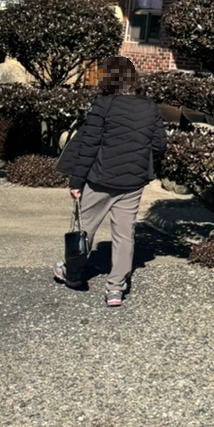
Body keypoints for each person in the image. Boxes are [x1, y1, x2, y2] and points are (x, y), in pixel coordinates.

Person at [55, 56, 167, 307]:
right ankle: (115, 288)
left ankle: (72, 274)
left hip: (100, 179)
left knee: (83, 229)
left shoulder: (104, 104)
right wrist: (142, 165)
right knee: (124, 234)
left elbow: (89, 145)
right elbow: (159, 145)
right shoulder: (150, 106)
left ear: (109, 77)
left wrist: (76, 181)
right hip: (133, 182)